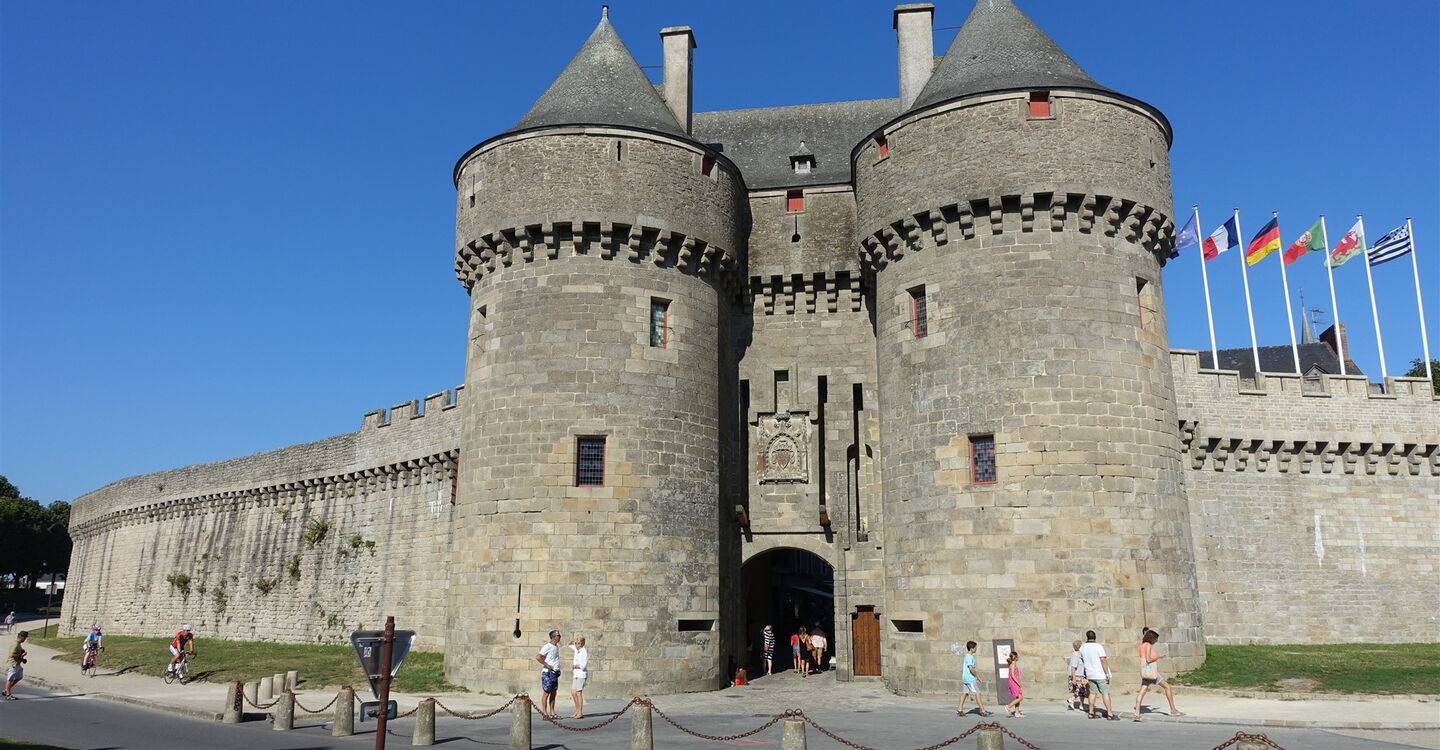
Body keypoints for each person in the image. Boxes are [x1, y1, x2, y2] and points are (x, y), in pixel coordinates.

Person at [1134, 628, 1184, 720]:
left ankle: (1137, 713)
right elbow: (1148, 660)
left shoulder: (1141, 645)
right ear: (1151, 638)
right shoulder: (1148, 645)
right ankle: (1173, 710)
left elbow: (1143, 658)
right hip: (1151, 672)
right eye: (1155, 639)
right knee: (1167, 687)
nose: (1156, 641)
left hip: (1145, 672)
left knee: (1142, 691)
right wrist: (1158, 657)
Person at [1079, 630, 1117, 720]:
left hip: (1090, 674)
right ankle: (1110, 714)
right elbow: (1103, 659)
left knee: (1092, 693)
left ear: (1087, 637)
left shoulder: (1082, 648)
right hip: (1100, 674)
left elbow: (1082, 660)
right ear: (1095, 637)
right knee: (1105, 693)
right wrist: (1107, 672)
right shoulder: (1098, 646)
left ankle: (1091, 713)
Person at [955, 641, 992, 717]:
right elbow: (971, 668)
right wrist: (978, 676)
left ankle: (959, 709)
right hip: (970, 679)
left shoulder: (967, 656)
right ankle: (983, 710)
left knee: (965, 693)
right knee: (977, 693)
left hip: (965, 678)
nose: (976, 649)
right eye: (975, 648)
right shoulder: (969, 657)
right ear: (971, 648)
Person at [534, 629, 562, 719]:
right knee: (546, 693)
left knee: (554, 692)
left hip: (555, 673)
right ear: (553, 637)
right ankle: (545, 713)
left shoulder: (556, 646)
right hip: (548, 673)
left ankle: (552, 712)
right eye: (558, 635)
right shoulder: (547, 646)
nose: (560, 637)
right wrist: (546, 665)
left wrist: (558, 669)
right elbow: (538, 657)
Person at [568, 635, 589, 719]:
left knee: (578, 693)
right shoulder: (577, 650)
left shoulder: (584, 651)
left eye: (578, 643)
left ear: (582, 644)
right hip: (576, 674)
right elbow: (569, 645)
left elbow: (584, 665)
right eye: (576, 643)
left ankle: (580, 712)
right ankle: (576, 711)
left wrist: (576, 666)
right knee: (573, 693)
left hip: (581, 674)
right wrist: (573, 640)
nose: (576, 645)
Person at [3, 630, 26, 700]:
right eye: (25, 638)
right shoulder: (15, 644)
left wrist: (22, 658)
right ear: (21, 637)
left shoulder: (18, 644)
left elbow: (18, 654)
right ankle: (8, 695)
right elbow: (12, 655)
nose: (25, 639)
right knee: (10, 679)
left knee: (19, 677)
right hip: (13, 664)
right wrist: (21, 655)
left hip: (17, 664)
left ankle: (6, 690)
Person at [1066, 639, 1086, 711]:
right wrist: (1074, 678)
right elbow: (1073, 667)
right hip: (1077, 675)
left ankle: (1081, 705)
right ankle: (1071, 699)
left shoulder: (1080, 654)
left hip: (1081, 675)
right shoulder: (1076, 654)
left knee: (1082, 691)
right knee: (1080, 690)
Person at [1004, 650, 1024, 717]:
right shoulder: (1013, 664)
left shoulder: (1014, 664)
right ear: (1016, 657)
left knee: (1018, 697)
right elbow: (1012, 675)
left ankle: (1017, 713)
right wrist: (1018, 683)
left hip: (1015, 682)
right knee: (1020, 698)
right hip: (1014, 683)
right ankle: (1008, 706)